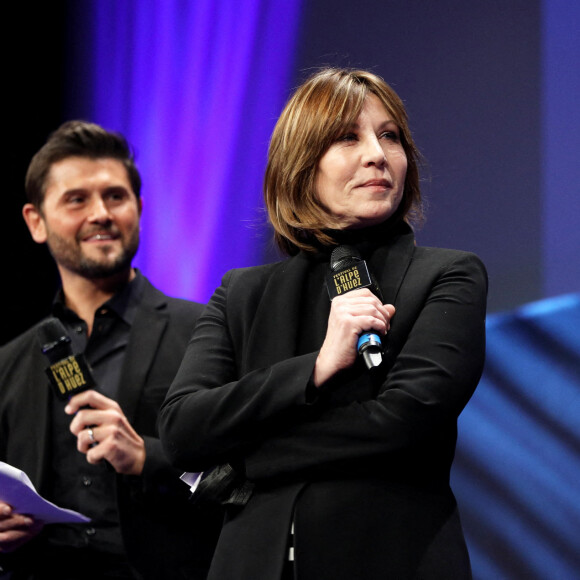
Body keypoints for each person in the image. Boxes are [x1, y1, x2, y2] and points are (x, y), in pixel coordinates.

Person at [158, 67, 488, 579]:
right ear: (300, 166)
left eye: (390, 136)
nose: (377, 155)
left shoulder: (448, 275)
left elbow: (403, 423)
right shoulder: (241, 293)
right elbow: (182, 432)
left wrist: (244, 464)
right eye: (347, 138)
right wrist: (313, 369)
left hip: (394, 559)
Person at [0, 121, 222, 579]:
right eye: (76, 199)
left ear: (138, 209)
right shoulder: (10, 363)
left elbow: (246, 477)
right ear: (35, 222)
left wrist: (148, 458)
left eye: (115, 197)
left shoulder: (205, 330)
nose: (100, 213)